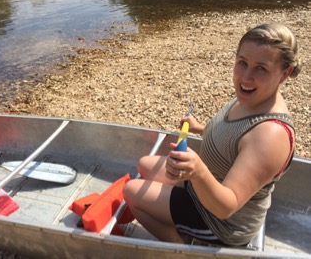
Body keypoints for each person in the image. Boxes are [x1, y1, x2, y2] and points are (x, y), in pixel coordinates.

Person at [123, 23, 301, 246]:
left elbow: (227, 206)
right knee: (144, 164)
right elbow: (232, 136)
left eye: (261, 68)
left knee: (131, 192)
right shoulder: (253, 97)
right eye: (242, 63)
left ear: (285, 74)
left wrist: (197, 171)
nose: (246, 77)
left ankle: (179, 246)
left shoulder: (270, 135)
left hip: (221, 221)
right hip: (206, 187)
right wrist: (200, 128)